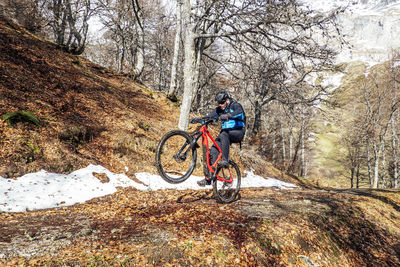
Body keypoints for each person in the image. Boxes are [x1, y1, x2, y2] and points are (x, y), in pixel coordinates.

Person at [197, 91, 246, 186]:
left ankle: (225, 160)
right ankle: (209, 178)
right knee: (214, 150)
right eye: (219, 103)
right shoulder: (219, 109)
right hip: (226, 133)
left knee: (223, 134)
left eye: (222, 102)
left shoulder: (235, 105)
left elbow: (239, 112)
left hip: (238, 131)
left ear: (227, 100)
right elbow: (208, 117)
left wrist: (228, 115)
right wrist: (198, 120)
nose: (220, 105)